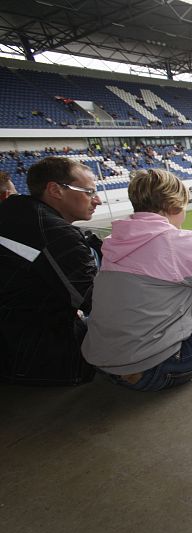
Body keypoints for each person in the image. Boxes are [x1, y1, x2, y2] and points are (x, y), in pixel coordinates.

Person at [81, 169, 192, 393]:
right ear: (176, 205)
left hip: (104, 366)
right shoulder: (177, 241)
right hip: (154, 371)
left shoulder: (115, 240)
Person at [0, 157, 100, 385]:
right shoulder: (55, 232)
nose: (98, 200)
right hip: (46, 360)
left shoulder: (13, 213)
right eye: (89, 191)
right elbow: (93, 300)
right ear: (55, 190)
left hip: (11, 348)